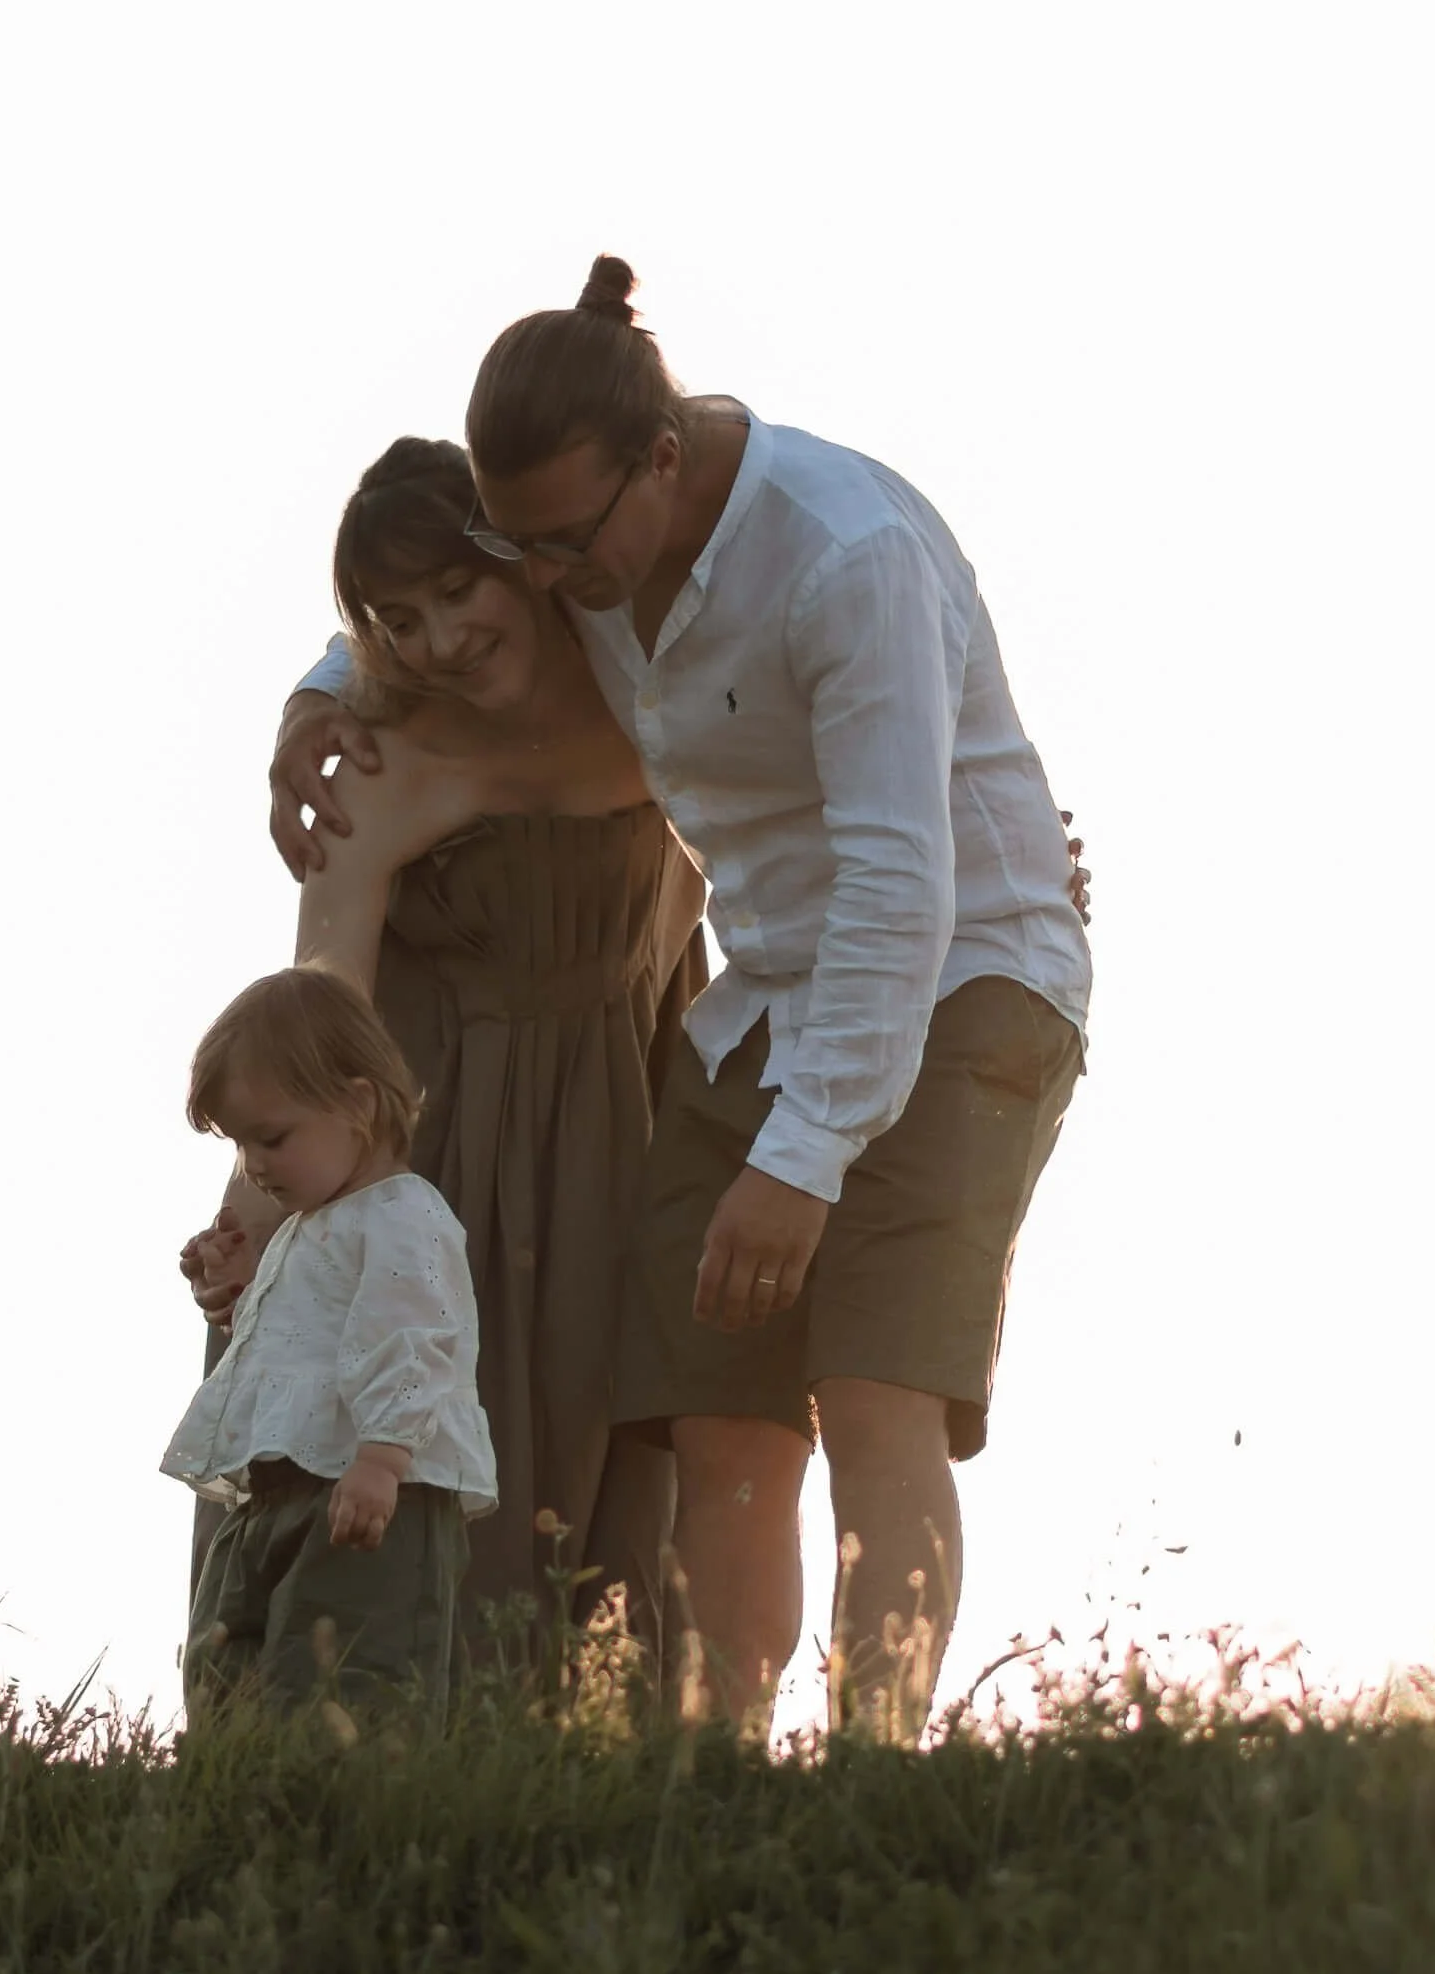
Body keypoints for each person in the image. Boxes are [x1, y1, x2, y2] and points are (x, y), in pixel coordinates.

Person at [268, 262, 1092, 1739]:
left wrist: (801, 1159)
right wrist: (322, 687)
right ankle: (716, 1778)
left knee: (875, 1386)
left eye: (564, 546)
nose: (547, 581)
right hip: (769, 993)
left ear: (661, 457)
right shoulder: (576, 545)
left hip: (964, 977)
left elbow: (905, 886)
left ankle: (874, 1778)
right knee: (723, 1417)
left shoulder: (844, 555)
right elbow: (431, 590)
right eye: (518, 548)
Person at [186, 439, 707, 1667]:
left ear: (525, 566)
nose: (436, 638)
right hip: (442, 1150)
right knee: (415, 1491)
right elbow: (321, 1005)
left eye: (457, 592)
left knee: (620, 1508)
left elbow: (760, 858)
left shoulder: (664, 704)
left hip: (623, 1131)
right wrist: (248, 1214)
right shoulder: (381, 758)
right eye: (396, 619)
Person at [165, 965, 495, 1723]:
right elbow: (307, 1340)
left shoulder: (404, 1215)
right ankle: (242, 1810)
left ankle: (345, 1827)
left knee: (351, 1680)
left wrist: (381, 1458)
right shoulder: (313, 1226)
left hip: (374, 1492)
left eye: (270, 1137)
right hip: (283, 1491)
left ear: (357, 1103)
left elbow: (414, 1337)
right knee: (231, 1675)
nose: (253, 1165)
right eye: (241, 1144)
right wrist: (243, 1292)